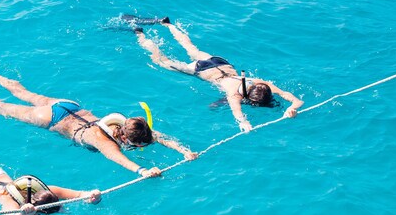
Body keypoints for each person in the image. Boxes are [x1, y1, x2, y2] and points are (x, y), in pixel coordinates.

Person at [0, 67, 197, 177]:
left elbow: (157, 136)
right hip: (54, 119)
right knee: (1, 107)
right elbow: (119, 159)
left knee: (25, 92)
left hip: (70, 105)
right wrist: (142, 170)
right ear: (125, 138)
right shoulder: (103, 141)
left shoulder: (127, 123)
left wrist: (184, 151)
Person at [128, 16, 303, 132]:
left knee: (190, 47)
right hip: (203, 71)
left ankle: (167, 24)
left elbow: (296, 101)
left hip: (220, 62)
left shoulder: (258, 82)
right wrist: (244, 124)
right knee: (161, 61)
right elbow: (237, 113)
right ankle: (139, 34)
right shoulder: (235, 95)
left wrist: (292, 107)